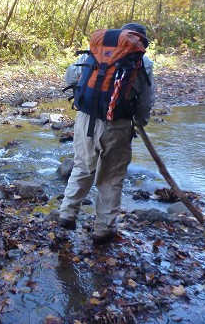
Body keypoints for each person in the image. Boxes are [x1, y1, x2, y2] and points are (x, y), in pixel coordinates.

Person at [58, 23, 155, 245]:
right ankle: (103, 229)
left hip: (86, 121)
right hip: (118, 125)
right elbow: (147, 99)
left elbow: (70, 77)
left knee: (82, 166)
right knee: (111, 178)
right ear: (140, 40)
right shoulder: (142, 62)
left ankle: (67, 214)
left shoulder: (97, 52)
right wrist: (140, 122)